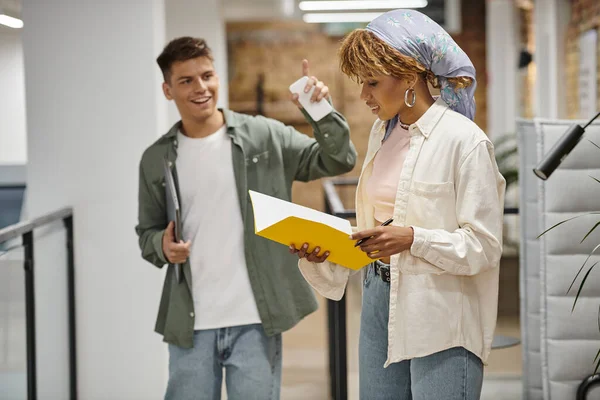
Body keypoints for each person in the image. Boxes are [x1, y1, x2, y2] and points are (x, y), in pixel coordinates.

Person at [291, 9, 506, 400]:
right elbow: (378, 227)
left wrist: (412, 239)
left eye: (372, 82)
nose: (363, 96)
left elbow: (484, 246)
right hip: (378, 296)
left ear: (410, 76)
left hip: (441, 310)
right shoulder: (382, 133)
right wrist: (327, 251)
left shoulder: (466, 142)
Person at [135, 36, 357, 400]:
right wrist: (161, 245)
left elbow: (337, 160)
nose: (200, 88)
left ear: (217, 77)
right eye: (186, 80)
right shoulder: (156, 159)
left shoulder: (263, 135)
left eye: (206, 75)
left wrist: (319, 112)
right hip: (192, 323)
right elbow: (146, 231)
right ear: (167, 90)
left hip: (255, 318)